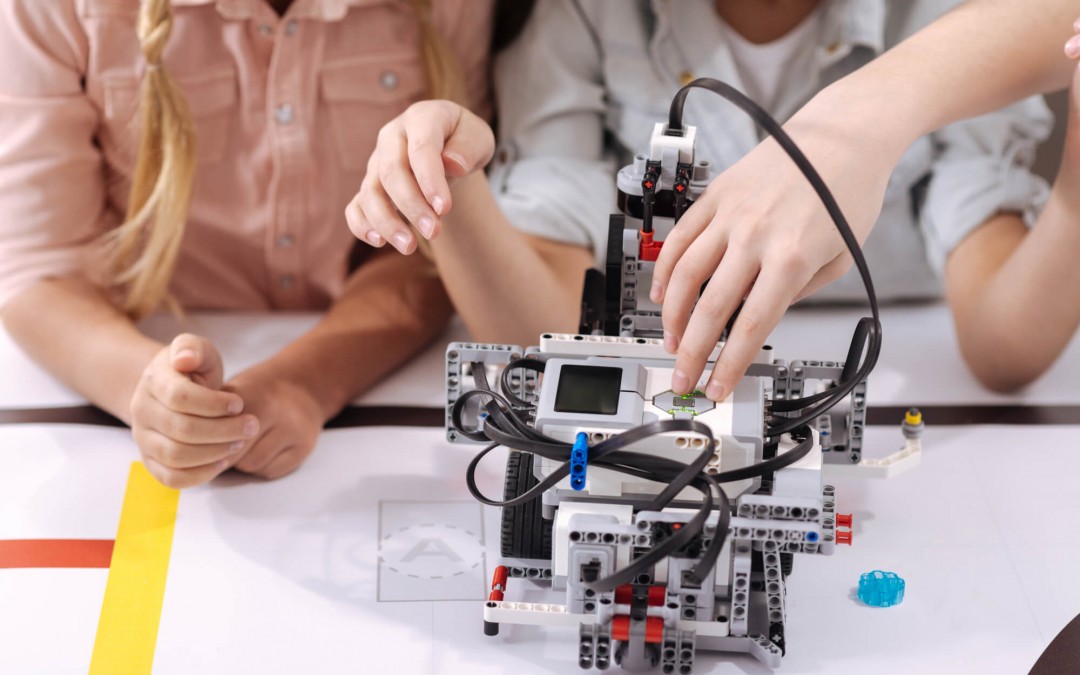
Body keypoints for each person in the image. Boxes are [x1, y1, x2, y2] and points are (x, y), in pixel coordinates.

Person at [351, 0, 1054, 396]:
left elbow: (1006, 344)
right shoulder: (584, 16)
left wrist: (864, 123)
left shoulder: (948, 15)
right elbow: (544, 330)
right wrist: (450, 182)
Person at [0, 0, 493, 488]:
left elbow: (433, 252)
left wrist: (306, 380)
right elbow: (37, 264)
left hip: (370, 370)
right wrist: (151, 392)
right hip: (121, 354)